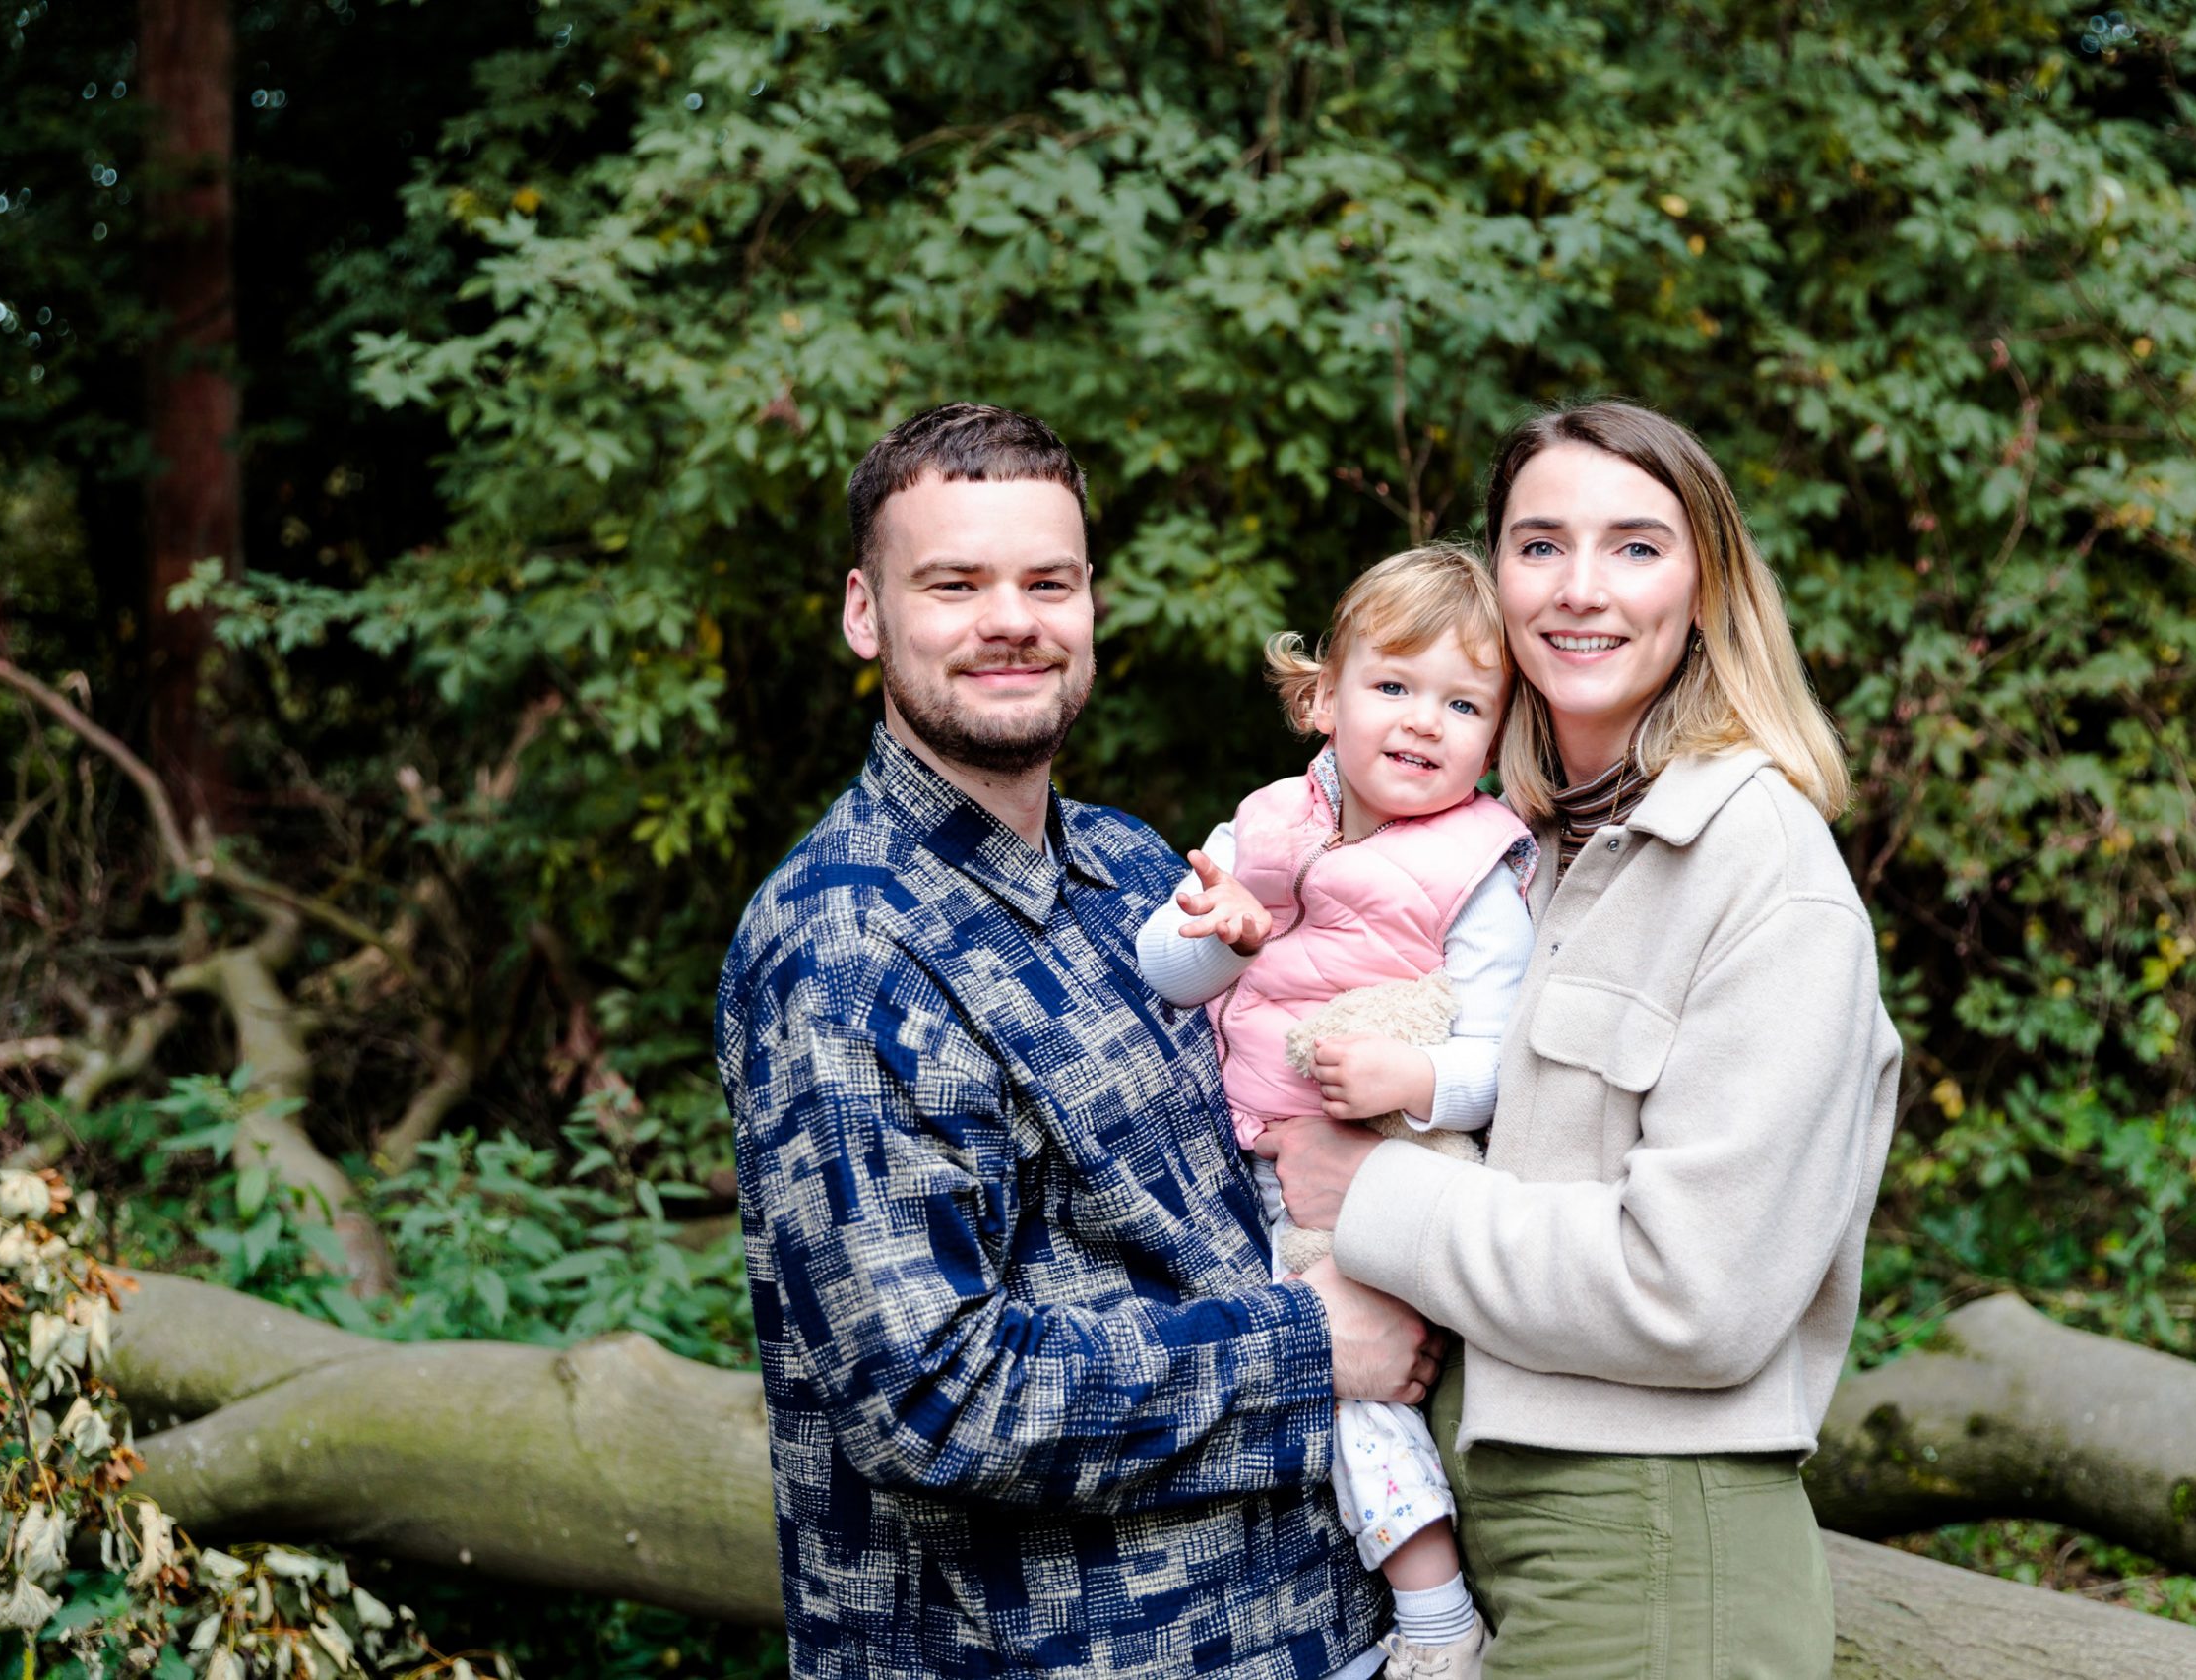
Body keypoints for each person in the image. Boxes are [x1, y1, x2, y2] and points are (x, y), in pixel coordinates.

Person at [716, 403, 1441, 1680]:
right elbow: (927, 1392)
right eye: (955, 582)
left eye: (1048, 579)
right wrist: (1302, 1344)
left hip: (1311, 1635)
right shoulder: (842, 940)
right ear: (864, 612)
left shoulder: (1133, 868)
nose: (1013, 617)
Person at [1256, 400, 1903, 1679]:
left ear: (1707, 586)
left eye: (1638, 546)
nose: (1582, 588)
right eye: (1541, 544)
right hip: (1496, 1526)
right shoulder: (1521, 857)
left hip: (1658, 1545)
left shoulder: (1763, 869)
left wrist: (1377, 1194)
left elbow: (1696, 1292)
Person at [1135, 547, 1536, 1680]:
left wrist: (1416, 1087)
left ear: (1498, 734)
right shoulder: (1263, 827)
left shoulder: (1478, 871)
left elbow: (1503, 1059)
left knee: (1353, 1379)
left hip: (1397, 1161)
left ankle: (1436, 1616)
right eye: (1393, 687)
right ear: (1320, 697)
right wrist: (1215, 932)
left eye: (1463, 703)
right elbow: (1161, 971)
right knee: (1280, 1369)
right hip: (1256, 1155)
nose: (1422, 723)